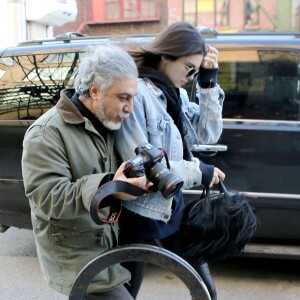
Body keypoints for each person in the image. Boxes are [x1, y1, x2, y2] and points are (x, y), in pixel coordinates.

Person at [21, 45, 148, 300]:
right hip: (78, 256)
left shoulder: (110, 123)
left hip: (115, 245)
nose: (130, 108)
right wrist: (110, 187)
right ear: (94, 91)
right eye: (123, 97)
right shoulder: (45, 133)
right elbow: (48, 198)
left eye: (133, 97)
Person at [115, 21, 226, 300]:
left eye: (196, 71)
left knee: (204, 287)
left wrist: (208, 83)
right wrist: (197, 170)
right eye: (189, 69)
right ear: (166, 57)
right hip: (140, 208)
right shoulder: (138, 94)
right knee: (127, 289)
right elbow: (139, 161)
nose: (190, 76)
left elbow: (208, 133)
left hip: (171, 202)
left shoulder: (173, 94)